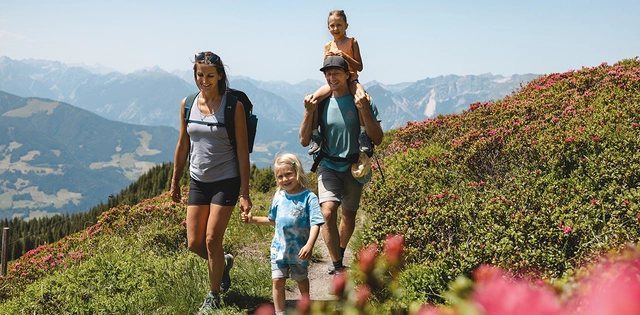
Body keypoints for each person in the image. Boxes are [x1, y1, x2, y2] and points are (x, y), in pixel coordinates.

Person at [169, 51, 252, 313]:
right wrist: (175, 181)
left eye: (210, 76)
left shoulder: (233, 106)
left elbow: (241, 151)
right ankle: (223, 263)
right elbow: (183, 144)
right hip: (198, 180)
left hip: (226, 180)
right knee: (194, 243)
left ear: (219, 77)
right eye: (200, 75)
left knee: (211, 239)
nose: (204, 80)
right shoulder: (188, 103)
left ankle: (213, 295)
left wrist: (245, 193)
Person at [299, 55, 383, 274]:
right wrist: (308, 112)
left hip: (354, 165)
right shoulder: (321, 102)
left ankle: (341, 250)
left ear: (348, 75)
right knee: (327, 213)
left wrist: (364, 109)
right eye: (328, 73)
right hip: (327, 164)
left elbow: (378, 138)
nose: (331, 77)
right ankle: (337, 265)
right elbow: (303, 140)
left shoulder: (364, 100)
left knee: (348, 215)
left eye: (336, 73)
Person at [242, 153, 324, 315]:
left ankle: (306, 306)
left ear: (298, 173)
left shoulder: (309, 198)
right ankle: (280, 313)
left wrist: (309, 244)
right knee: (277, 281)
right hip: (279, 250)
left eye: (288, 174)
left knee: (301, 280)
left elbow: (316, 223)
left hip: (300, 251)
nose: (285, 179)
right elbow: (273, 219)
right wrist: (253, 220)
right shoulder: (278, 196)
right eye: (280, 176)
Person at [307, 10, 373, 156]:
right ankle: (315, 136)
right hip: (335, 82)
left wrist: (344, 56)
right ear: (328, 28)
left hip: (351, 79)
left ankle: (363, 135)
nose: (335, 29)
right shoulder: (328, 46)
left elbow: (359, 67)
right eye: (332, 26)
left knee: (361, 98)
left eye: (339, 25)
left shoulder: (352, 42)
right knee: (314, 99)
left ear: (346, 26)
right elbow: (326, 66)